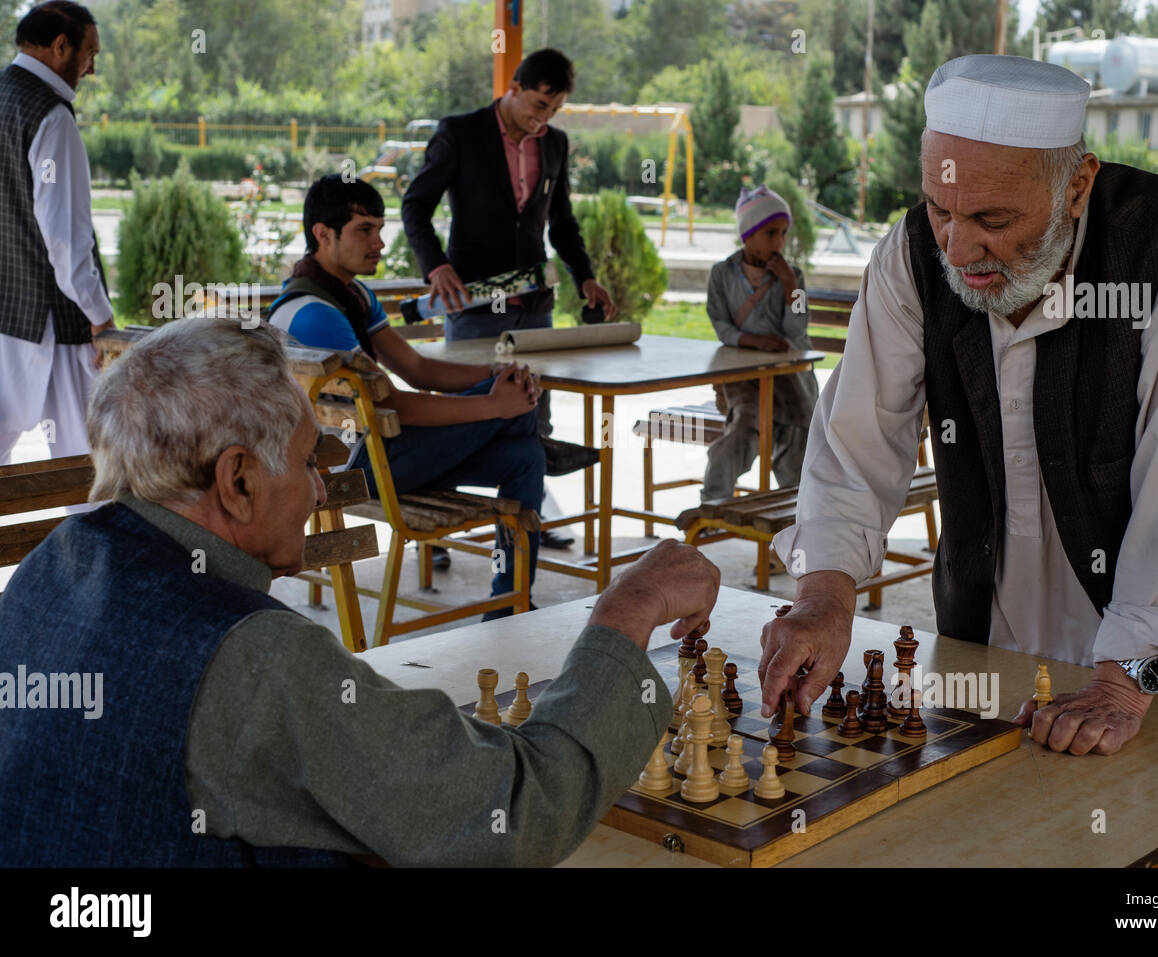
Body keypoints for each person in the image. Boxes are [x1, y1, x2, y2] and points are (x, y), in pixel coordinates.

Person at [760, 55, 1158, 867]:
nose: (959, 244)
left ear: (1077, 186)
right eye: (941, 208)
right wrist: (826, 591)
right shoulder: (913, 254)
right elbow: (855, 442)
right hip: (1000, 638)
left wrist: (1121, 679)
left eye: (994, 219)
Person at [0, 317, 720, 867]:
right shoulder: (257, 660)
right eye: (309, 460)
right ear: (239, 480)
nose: (319, 490)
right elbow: (513, 809)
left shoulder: (45, 571)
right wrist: (625, 613)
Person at [267, 174, 545, 619]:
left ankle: (508, 602)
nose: (378, 242)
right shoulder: (316, 313)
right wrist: (495, 404)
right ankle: (517, 422)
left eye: (380, 227)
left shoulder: (348, 294)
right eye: (364, 230)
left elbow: (417, 368)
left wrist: (493, 375)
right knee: (519, 417)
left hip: (380, 453)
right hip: (354, 469)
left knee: (526, 455)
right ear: (323, 234)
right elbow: (394, 405)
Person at [401, 47, 612, 545]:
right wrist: (436, 266)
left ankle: (526, 527)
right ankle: (439, 536)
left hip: (533, 309)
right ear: (514, 88)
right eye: (539, 104)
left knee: (532, 412)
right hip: (471, 306)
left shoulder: (555, 146)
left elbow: (562, 224)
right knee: (464, 415)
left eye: (554, 110)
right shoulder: (460, 133)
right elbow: (415, 206)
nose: (544, 118)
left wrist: (585, 276)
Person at [0, 1, 111, 466]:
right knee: (90, 469)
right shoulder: (52, 118)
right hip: (58, 322)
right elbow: (65, 240)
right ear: (60, 46)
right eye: (90, 53)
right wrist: (101, 318)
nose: (91, 68)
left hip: (8, 316)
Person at [702, 185, 819, 514]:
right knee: (739, 434)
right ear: (748, 234)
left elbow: (796, 330)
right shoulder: (722, 275)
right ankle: (712, 509)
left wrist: (788, 286)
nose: (779, 242)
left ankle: (794, 523)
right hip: (745, 381)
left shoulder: (792, 275)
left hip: (793, 384)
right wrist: (755, 342)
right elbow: (722, 326)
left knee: (798, 444)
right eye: (770, 233)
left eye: (783, 234)